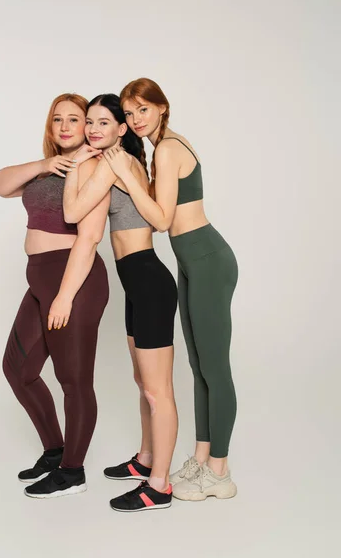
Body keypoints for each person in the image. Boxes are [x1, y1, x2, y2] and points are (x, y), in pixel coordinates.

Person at [101, 78, 238, 501]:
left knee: (215, 368)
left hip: (207, 260)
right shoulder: (163, 148)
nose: (136, 119)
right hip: (190, 261)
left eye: (143, 109)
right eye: (129, 112)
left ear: (162, 107)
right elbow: (157, 210)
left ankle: (220, 470)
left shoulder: (170, 148)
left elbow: (160, 219)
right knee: (198, 367)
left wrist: (125, 172)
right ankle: (201, 458)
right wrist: (125, 176)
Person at [0, 93, 109, 499]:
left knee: (74, 380)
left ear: (87, 125)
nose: (64, 126)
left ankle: (73, 472)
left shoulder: (96, 166)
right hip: (39, 277)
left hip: (73, 279)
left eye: (74, 119)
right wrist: (45, 164)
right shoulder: (45, 171)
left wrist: (64, 296)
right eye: (57, 119)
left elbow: (89, 238)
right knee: (17, 370)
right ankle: (55, 450)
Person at [63, 93, 178, 512]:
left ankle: (160, 487)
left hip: (149, 281)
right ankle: (146, 460)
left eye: (103, 123)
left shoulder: (115, 164)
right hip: (137, 283)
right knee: (142, 384)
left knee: (157, 391)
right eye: (89, 123)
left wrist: (76, 164)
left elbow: (74, 212)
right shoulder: (116, 161)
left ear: (121, 129)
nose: (92, 130)